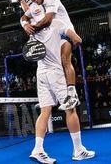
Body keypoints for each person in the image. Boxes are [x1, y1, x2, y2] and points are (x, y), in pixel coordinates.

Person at [25, 18, 95, 163]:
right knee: (71, 109)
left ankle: (37, 149)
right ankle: (79, 150)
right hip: (55, 74)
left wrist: (24, 21)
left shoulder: (37, 29)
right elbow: (66, 63)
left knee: (45, 112)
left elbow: (25, 13)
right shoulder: (64, 39)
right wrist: (71, 88)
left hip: (41, 74)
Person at [18, 0, 81, 110]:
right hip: (51, 36)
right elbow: (26, 16)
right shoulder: (36, 6)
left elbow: (47, 21)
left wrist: (32, 29)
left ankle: (72, 96)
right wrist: (25, 25)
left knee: (65, 60)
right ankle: (48, 99)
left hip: (64, 32)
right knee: (48, 65)